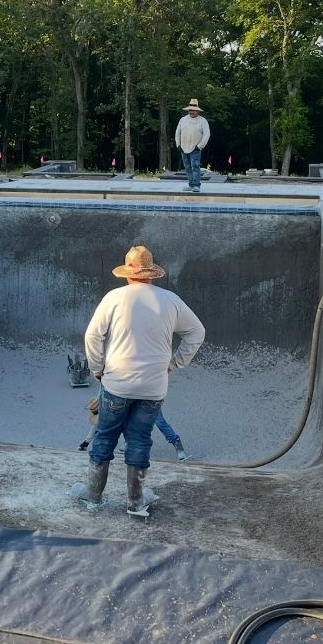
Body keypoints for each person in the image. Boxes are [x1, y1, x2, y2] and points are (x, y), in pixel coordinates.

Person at [72, 245, 205, 517]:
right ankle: (136, 501)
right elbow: (196, 332)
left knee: (105, 437)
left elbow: (92, 336)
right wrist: (174, 364)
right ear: (152, 275)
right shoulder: (170, 300)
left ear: (127, 274)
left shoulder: (114, 298)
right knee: (140, 439)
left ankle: (93, 496)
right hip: (153, 387)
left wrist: (98, 368)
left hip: (117, 383)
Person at [80, 400, 188, 462]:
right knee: (128, 419)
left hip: (150, 397)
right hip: (130, 395)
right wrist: (86, 442)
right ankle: (129, 442)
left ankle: (177, 445)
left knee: (159, 422)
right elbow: (99, 421)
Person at [174, 98, 211, 193]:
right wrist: (178, 144)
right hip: (183, 147)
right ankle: (191, 184)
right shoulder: (182, 120)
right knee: (187, 167)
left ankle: (196, 185)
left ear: (197, 110)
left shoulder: (202, 121)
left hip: (195, 148)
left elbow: (207, 134)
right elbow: (177, 133)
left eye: (193, 110)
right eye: (190, 110)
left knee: (195, 166)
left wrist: (200, 146)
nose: (191, 111)